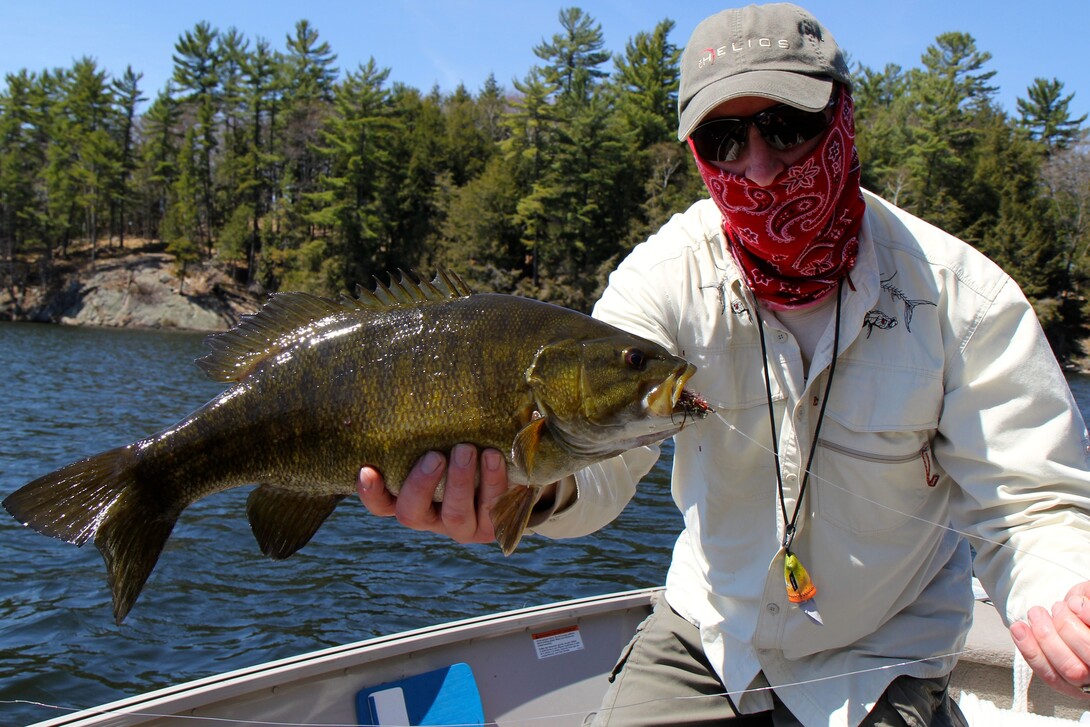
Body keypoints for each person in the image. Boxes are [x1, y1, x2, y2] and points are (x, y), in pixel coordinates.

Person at [358, 3, 1090, 725]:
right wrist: (522, 489)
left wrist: (1060, 593)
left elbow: (1034, 503)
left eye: (787, 126)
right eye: (724, 139)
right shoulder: (661, 279)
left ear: (844, 118)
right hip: (710, 636)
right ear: (696, 152)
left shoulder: (964, 297)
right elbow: (598, 461)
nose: (761, 167)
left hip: (883, 649)